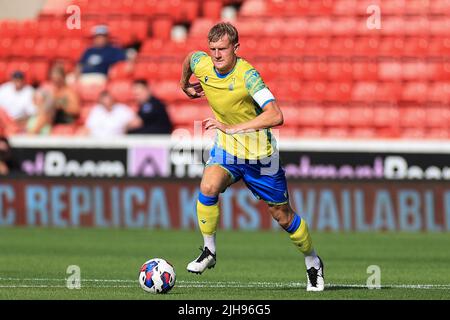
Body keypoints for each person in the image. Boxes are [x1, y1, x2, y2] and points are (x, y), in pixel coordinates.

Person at [179, 22, 324, 291]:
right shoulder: (204, 63)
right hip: (227, 149)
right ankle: (209, 252)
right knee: (208, 186)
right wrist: (184, 84)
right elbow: (190, 57)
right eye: (212, 49)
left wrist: (232, 127)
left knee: (282, 215)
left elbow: (276, 115)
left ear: (236, 48)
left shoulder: (249, 76)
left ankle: (313, 261)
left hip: (260, 156)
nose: (216, 55)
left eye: (222, 49)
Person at [32, 64, 80, 134]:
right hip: (50, 116)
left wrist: (62, 105)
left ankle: (33, 132)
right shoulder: (51, 90)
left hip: (65, 118)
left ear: (63, 78)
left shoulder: (69, 92)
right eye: (53, 79)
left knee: (48, 110)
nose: (55, 82)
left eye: (58, 79)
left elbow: (75, 110)